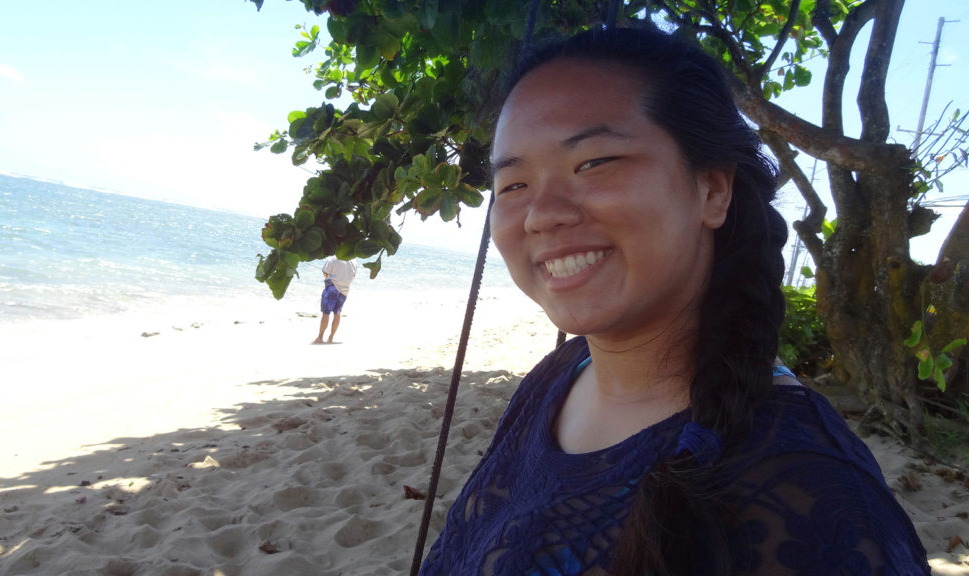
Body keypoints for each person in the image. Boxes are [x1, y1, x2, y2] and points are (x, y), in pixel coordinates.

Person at [419, 24, 929, 576]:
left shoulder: (814, 496)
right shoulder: (560, 374)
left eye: (593, 163)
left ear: (712, 189)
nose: (543, 213)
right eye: (513, 186)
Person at [313, 255, 357, 344]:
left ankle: (320, 337)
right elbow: (353, 276)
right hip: (345, 290)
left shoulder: (334, 257)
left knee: (326, 314)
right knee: (337, 313)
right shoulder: (353, 260)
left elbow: (325, 273)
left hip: (332, 288)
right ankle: (331, 338)